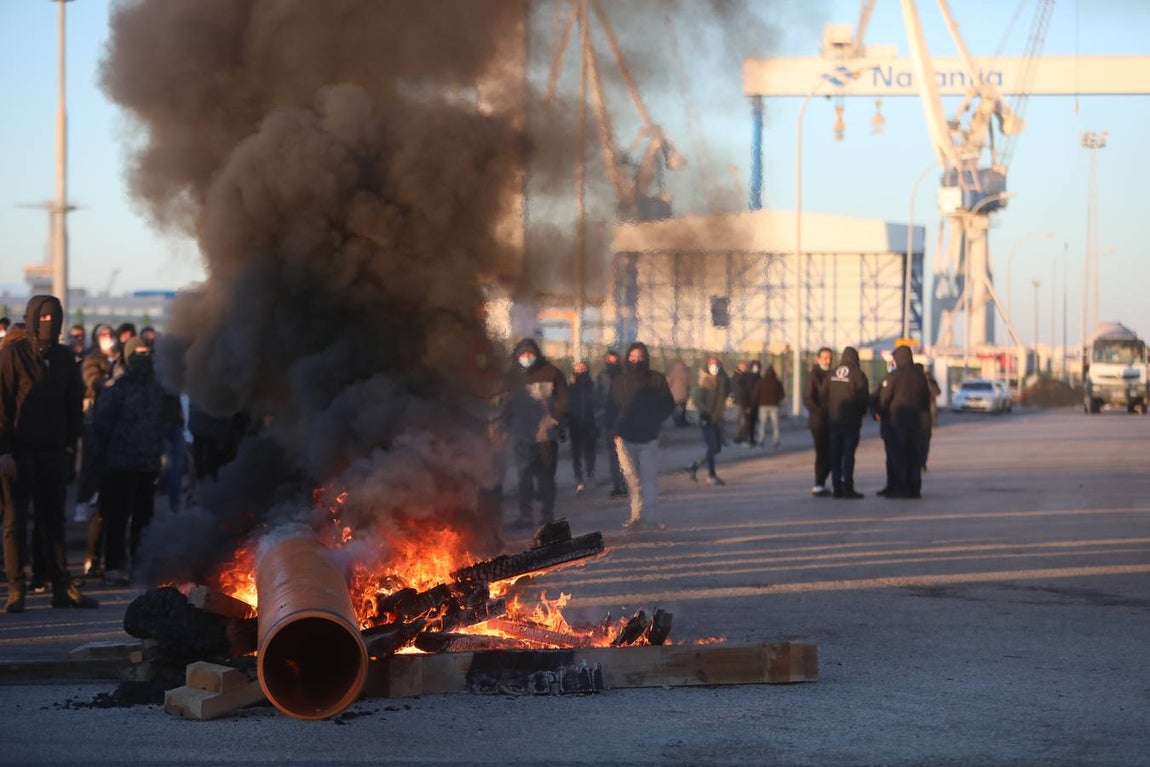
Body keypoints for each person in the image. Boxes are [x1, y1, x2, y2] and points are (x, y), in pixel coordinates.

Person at [0, 295, 98, 611]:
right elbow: (2, 405)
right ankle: (17, 589)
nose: (49, 324)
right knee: (15, 522)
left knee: (53, 521)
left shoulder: (65, 357)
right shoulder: (12, 355)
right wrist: (4, 452)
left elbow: (73, 404)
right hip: (18, 453)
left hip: (54, 452)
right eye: (43, 318)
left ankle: (60, 586)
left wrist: (70, 444)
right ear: (31, 319)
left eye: (54, 318)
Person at [90, 337, 176, 585]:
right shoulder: (118, 387)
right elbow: (101, 425)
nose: (143, 357)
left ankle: (139, 564)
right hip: (120, 464)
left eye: (147, 353)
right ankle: (113, 565)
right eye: (137, 353)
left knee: (143, 519)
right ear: (128, 356)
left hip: (147, 465)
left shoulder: (157, 388)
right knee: (117, 517)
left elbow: (167, 421)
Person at [609, 342, 675, 530]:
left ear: (646, 358)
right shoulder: (619, 382)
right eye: (632, 357)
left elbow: (668, 404)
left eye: (640, 357)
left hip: (649, 437)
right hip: (625, 438)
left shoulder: (656, 379)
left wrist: (655, 419)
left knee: (649, 478)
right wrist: (614, 431)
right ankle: (635, 515)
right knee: (632, 480)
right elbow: (610, 408)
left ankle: (652, 516)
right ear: (627, 358)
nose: (636, 360)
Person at [503, 338, 567, 529]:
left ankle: (547, 516)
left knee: (546, 477)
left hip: (545, 435)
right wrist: (505, 427)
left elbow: (563, 400)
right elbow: (505, 404)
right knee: (524, 477)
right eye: (523, 354)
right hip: (522, 434)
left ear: (537, 354)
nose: (527, 357)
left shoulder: (551, 373)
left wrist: (553, 421)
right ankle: (525, 515)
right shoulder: (512, 377)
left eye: (530, 353)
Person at [877, 345, 932, 499]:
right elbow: (925, 399)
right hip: (916, 423)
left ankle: (900, 489)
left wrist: (879, 412)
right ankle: (914, 489)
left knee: (898, 457)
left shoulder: (895, 376)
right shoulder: (919, 376)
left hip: (897, 423)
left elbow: (884, 399)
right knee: (913, 457)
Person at [820, 346, 870, 499]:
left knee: (835, 454)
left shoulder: (832, 373)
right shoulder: (858, 375)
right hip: (851, 423)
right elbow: (863, 400)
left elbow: (823, 395)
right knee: (848, 455)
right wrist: (859, 414)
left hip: (834, 421)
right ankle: (847, 486)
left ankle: (836, 487)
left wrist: (830, 411)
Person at [685, 355, 729, 486]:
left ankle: (695, 466)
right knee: (711, 447)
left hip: (718, 419)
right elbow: (697, 400)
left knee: (716, 448)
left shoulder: (722, 380)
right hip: (707, 419)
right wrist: (706, 412)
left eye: (716, 364)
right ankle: (711, 475)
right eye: (712, 364)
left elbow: (722, 400)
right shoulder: (703, 381)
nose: (714, 366)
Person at [802, 347, 834, 497]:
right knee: (822, 452)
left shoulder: (833, 374)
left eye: (830, 358)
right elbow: (808, 398)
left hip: (831, 420)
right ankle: (819, 483)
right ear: (819, 359)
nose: (828, 361)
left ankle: (823, 481)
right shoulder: (814, 375)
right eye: (825, 358)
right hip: (819, 421)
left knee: (831, 452)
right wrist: (821, 412)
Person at [595, 348, 626, 498]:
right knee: (613, 455)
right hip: (608, 419)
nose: (612, 362)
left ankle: (625, 483)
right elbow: (597, 397)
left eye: (614, 359)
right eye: (609, 359)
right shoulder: (602, 377)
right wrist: (600, 415)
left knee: (625, 455)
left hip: (624, 420)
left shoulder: (625, 376)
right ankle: (617, 484)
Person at [566, 359, 597, 494]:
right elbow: (566, 407)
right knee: (576, 453)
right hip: (575, 424)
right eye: (578, 369)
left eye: (582, 369)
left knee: (590, 452)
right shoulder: (571, 389)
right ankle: (579, 479)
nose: (580, 371)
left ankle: (590, 474)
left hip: (590, 424)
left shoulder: (593, 387)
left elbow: (598, 404)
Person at [916, 362, 941, 472]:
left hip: (927, 412)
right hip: (915, 415)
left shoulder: (929, 381)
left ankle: (922, 462)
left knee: (924, 439)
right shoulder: (912, 381)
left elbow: (937, 392)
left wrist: (929, 382)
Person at [755, 363, 785, 449]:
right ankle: (776, 442)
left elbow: (757, 393)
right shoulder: (777, 382)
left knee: (762, 424)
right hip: (774, 405)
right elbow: (782, 394)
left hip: (763, 405)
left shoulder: (761, 381)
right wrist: (778, 400)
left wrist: (758, 401)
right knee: (775, 425)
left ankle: (761, 441)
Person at [667, 360, 691, 428]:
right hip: (683, 395)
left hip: (674, 396)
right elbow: (688, 384)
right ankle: (682, 422)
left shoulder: (673, 373)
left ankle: (676, 422)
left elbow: (669, 383)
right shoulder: (685, 373)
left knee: (675, 409)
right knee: (683, 410)